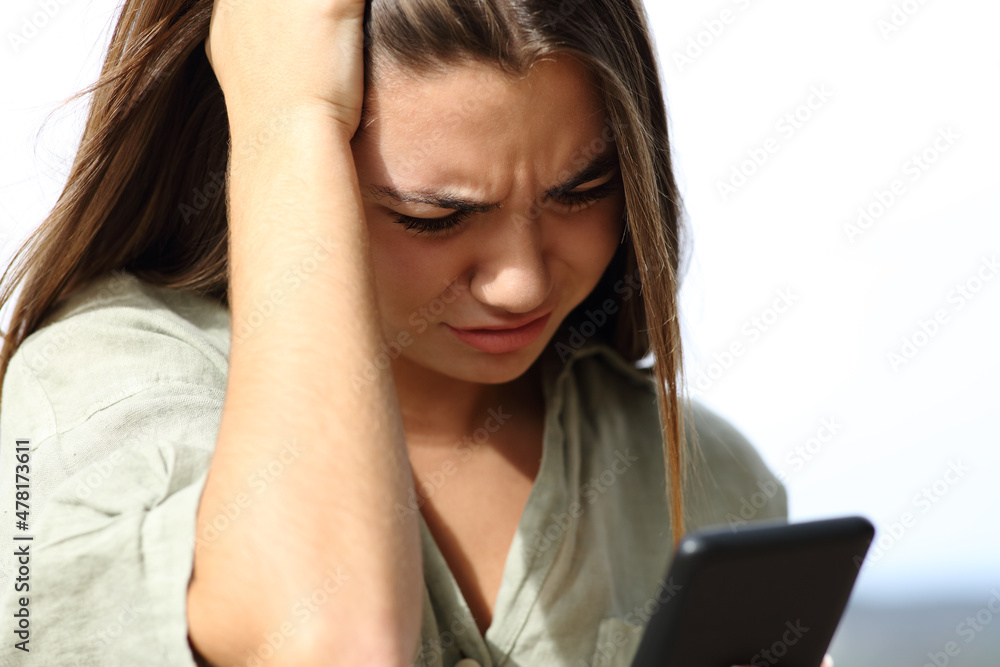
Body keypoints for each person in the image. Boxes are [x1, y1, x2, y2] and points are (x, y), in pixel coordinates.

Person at [0, 0, 829, 665]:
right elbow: (331, 645)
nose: (521, 283)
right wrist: (286, 115)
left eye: (581, 191)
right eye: (435, 217)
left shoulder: (708, 476)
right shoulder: (92, 394)